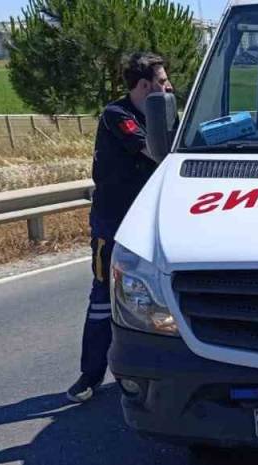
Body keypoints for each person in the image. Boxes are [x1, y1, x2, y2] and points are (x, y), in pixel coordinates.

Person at [67, 52, 173, 402]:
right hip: (113, 224)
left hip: (149, 222)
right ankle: (89, 375)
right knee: (103, 299)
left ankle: (157, 375)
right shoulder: (119, 116)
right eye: (161, 81)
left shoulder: (164, 117)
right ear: (144, 86)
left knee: (156, 301)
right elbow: (152, 153)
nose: (168, 85)